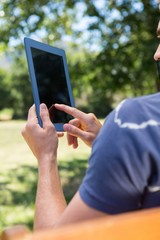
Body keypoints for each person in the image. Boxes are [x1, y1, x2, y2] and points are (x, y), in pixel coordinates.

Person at [22, 3, 160, 230]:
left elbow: (58, 239)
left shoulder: (135, 121)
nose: (156, 54)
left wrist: (47, 157)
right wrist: (112, 142)